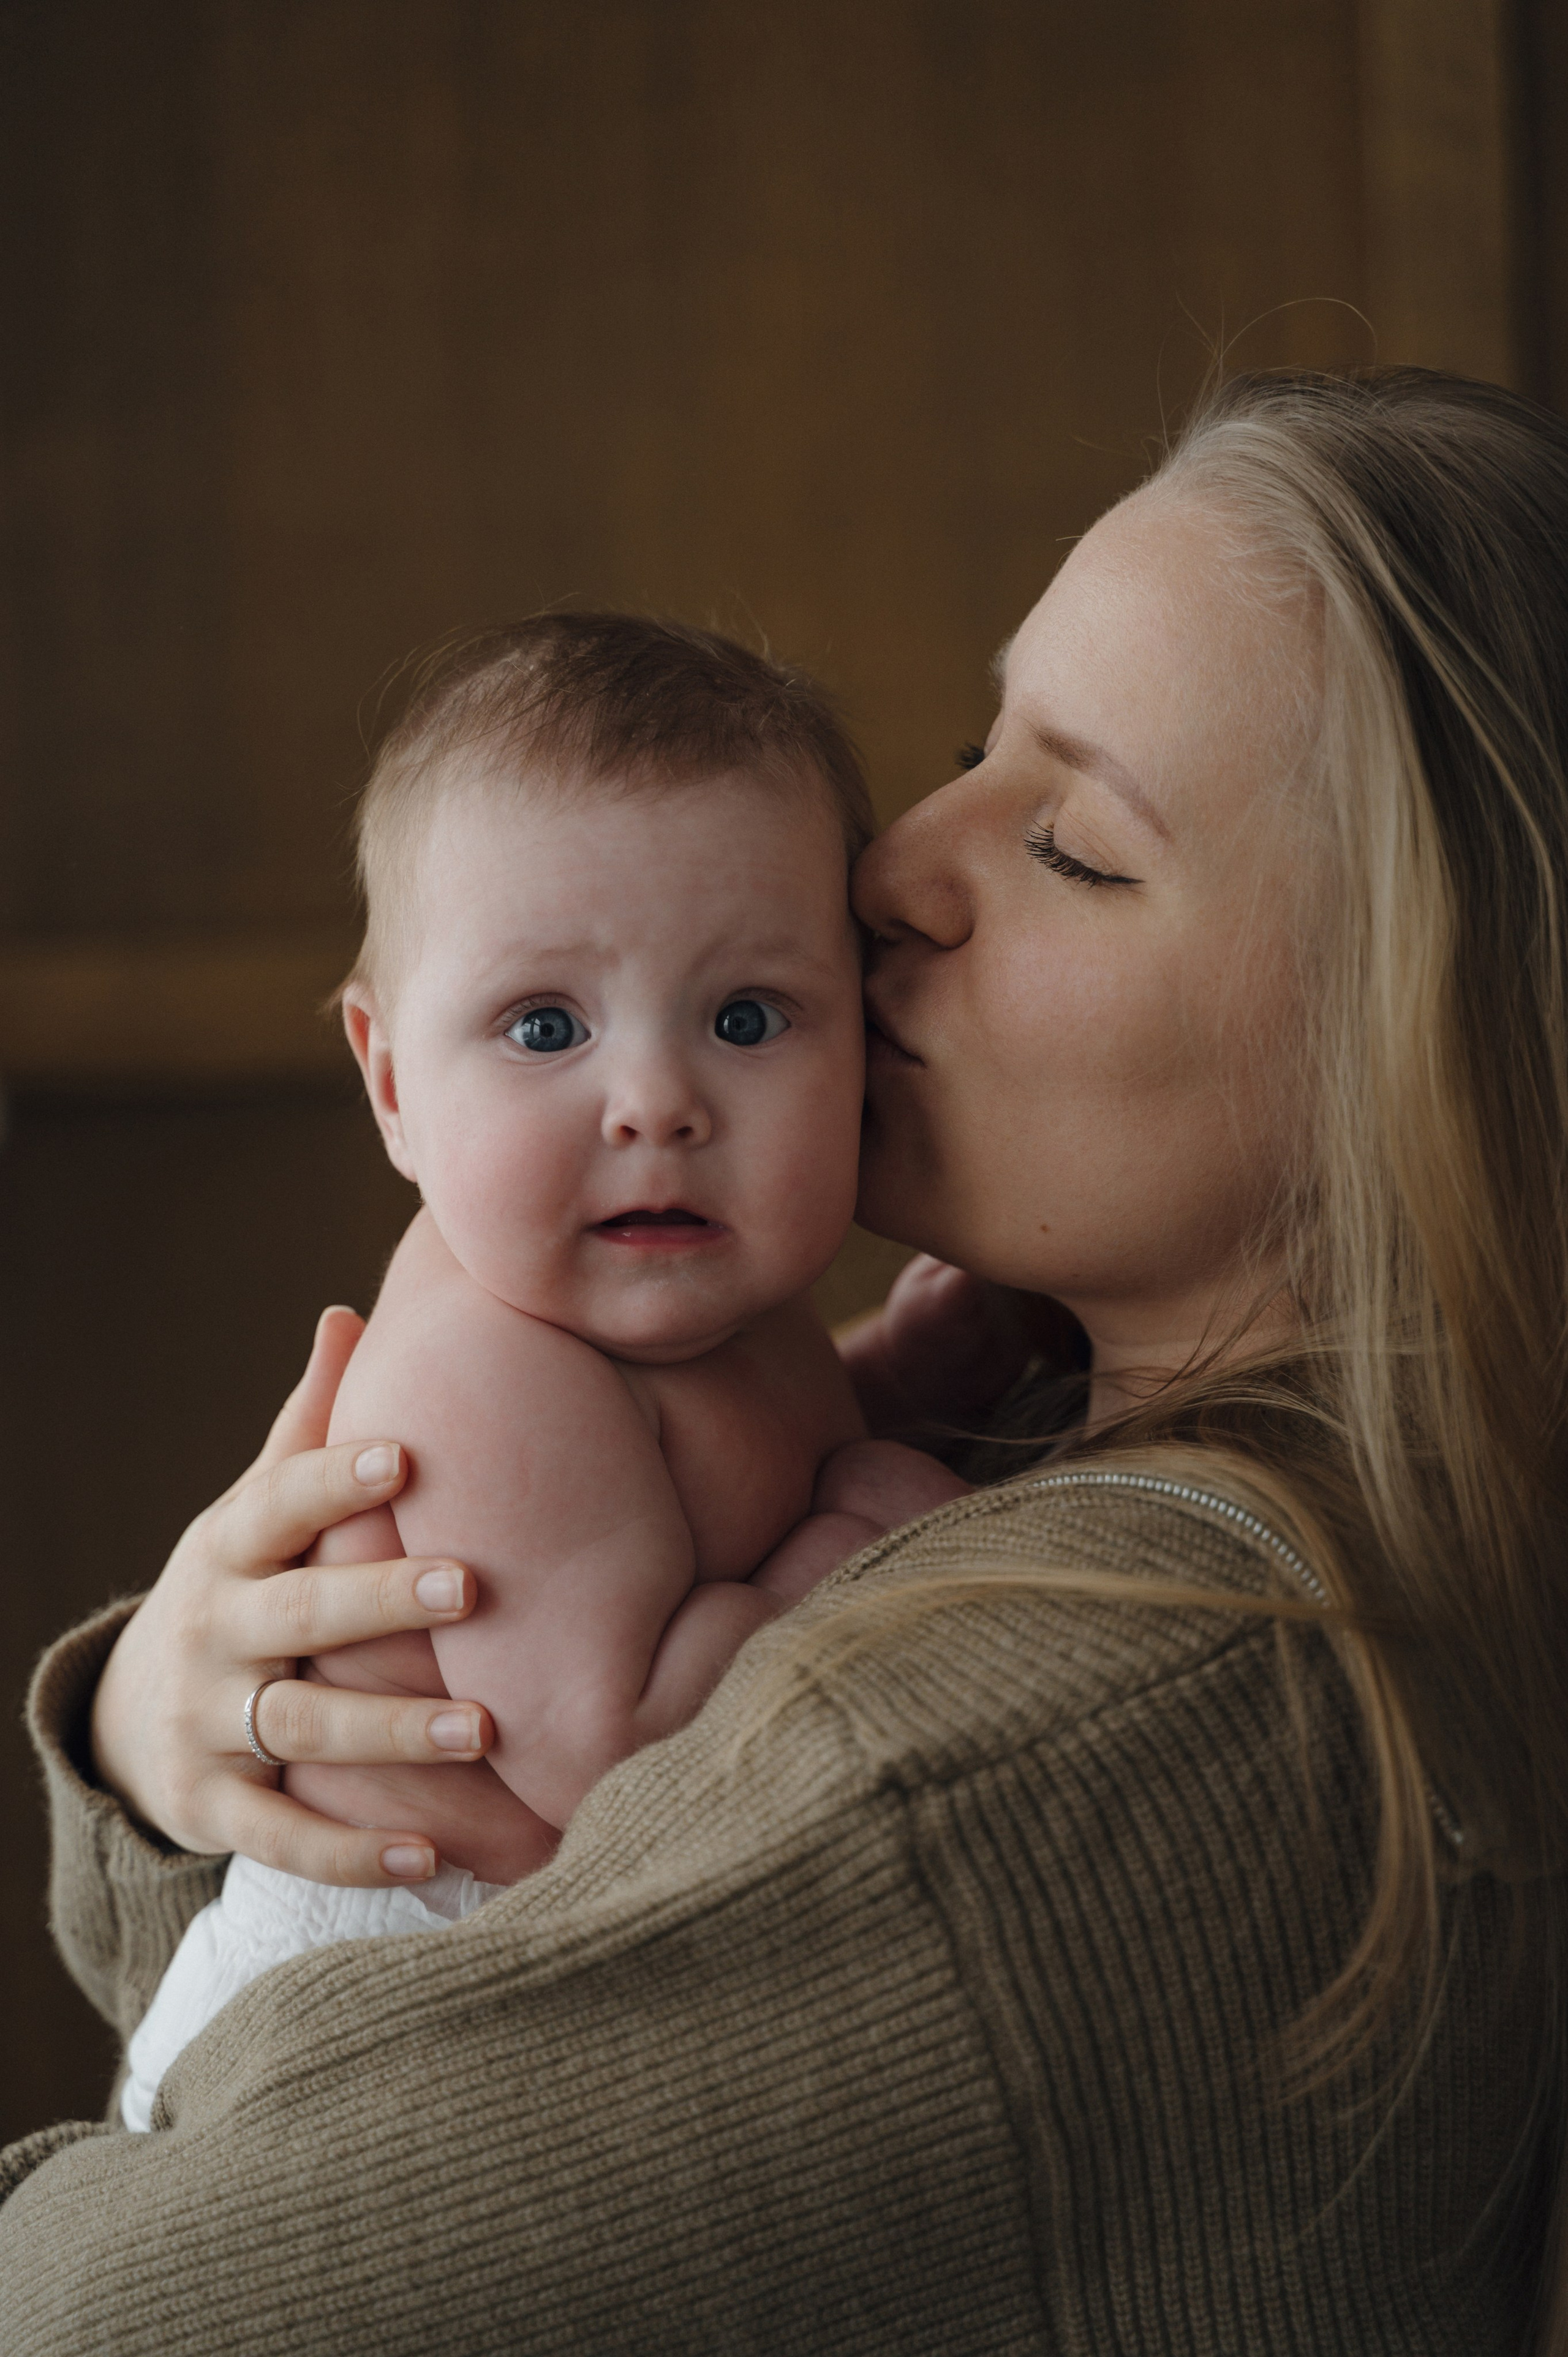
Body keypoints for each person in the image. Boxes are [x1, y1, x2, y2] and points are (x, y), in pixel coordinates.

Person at [4, 366, 1566, 2355]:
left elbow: (107, 2311)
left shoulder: (1011, 1761)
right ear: (383, 1063)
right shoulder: (1042, 1434)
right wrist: (159, 1731)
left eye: (1075, 840)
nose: (900, 859)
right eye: (973, 749)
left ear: (1411, 1054)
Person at [119, 614, 967, 2129]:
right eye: (544, 1025)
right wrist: (853, 1533)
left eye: (748, 1018)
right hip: (325, 2030)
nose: (655, 1100)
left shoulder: (708, 1297)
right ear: (391, 1084)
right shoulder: (484, 1373)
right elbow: (624, 1761)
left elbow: (722, 1479)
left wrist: (897, 1367)